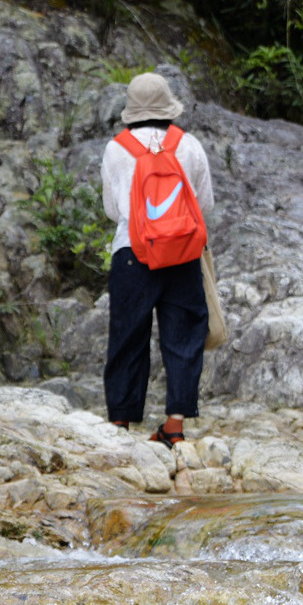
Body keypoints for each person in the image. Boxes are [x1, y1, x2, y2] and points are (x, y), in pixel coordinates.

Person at [101, 71, 215, 444]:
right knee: (183, 337)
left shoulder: (116, 148)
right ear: (168, 106)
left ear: (131, 109)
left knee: (127, 336)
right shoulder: (189, 145)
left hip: (132, 253)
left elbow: (113, 210)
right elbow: (204, 205)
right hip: (182, 254)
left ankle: (120, 424)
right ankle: (174, 426)